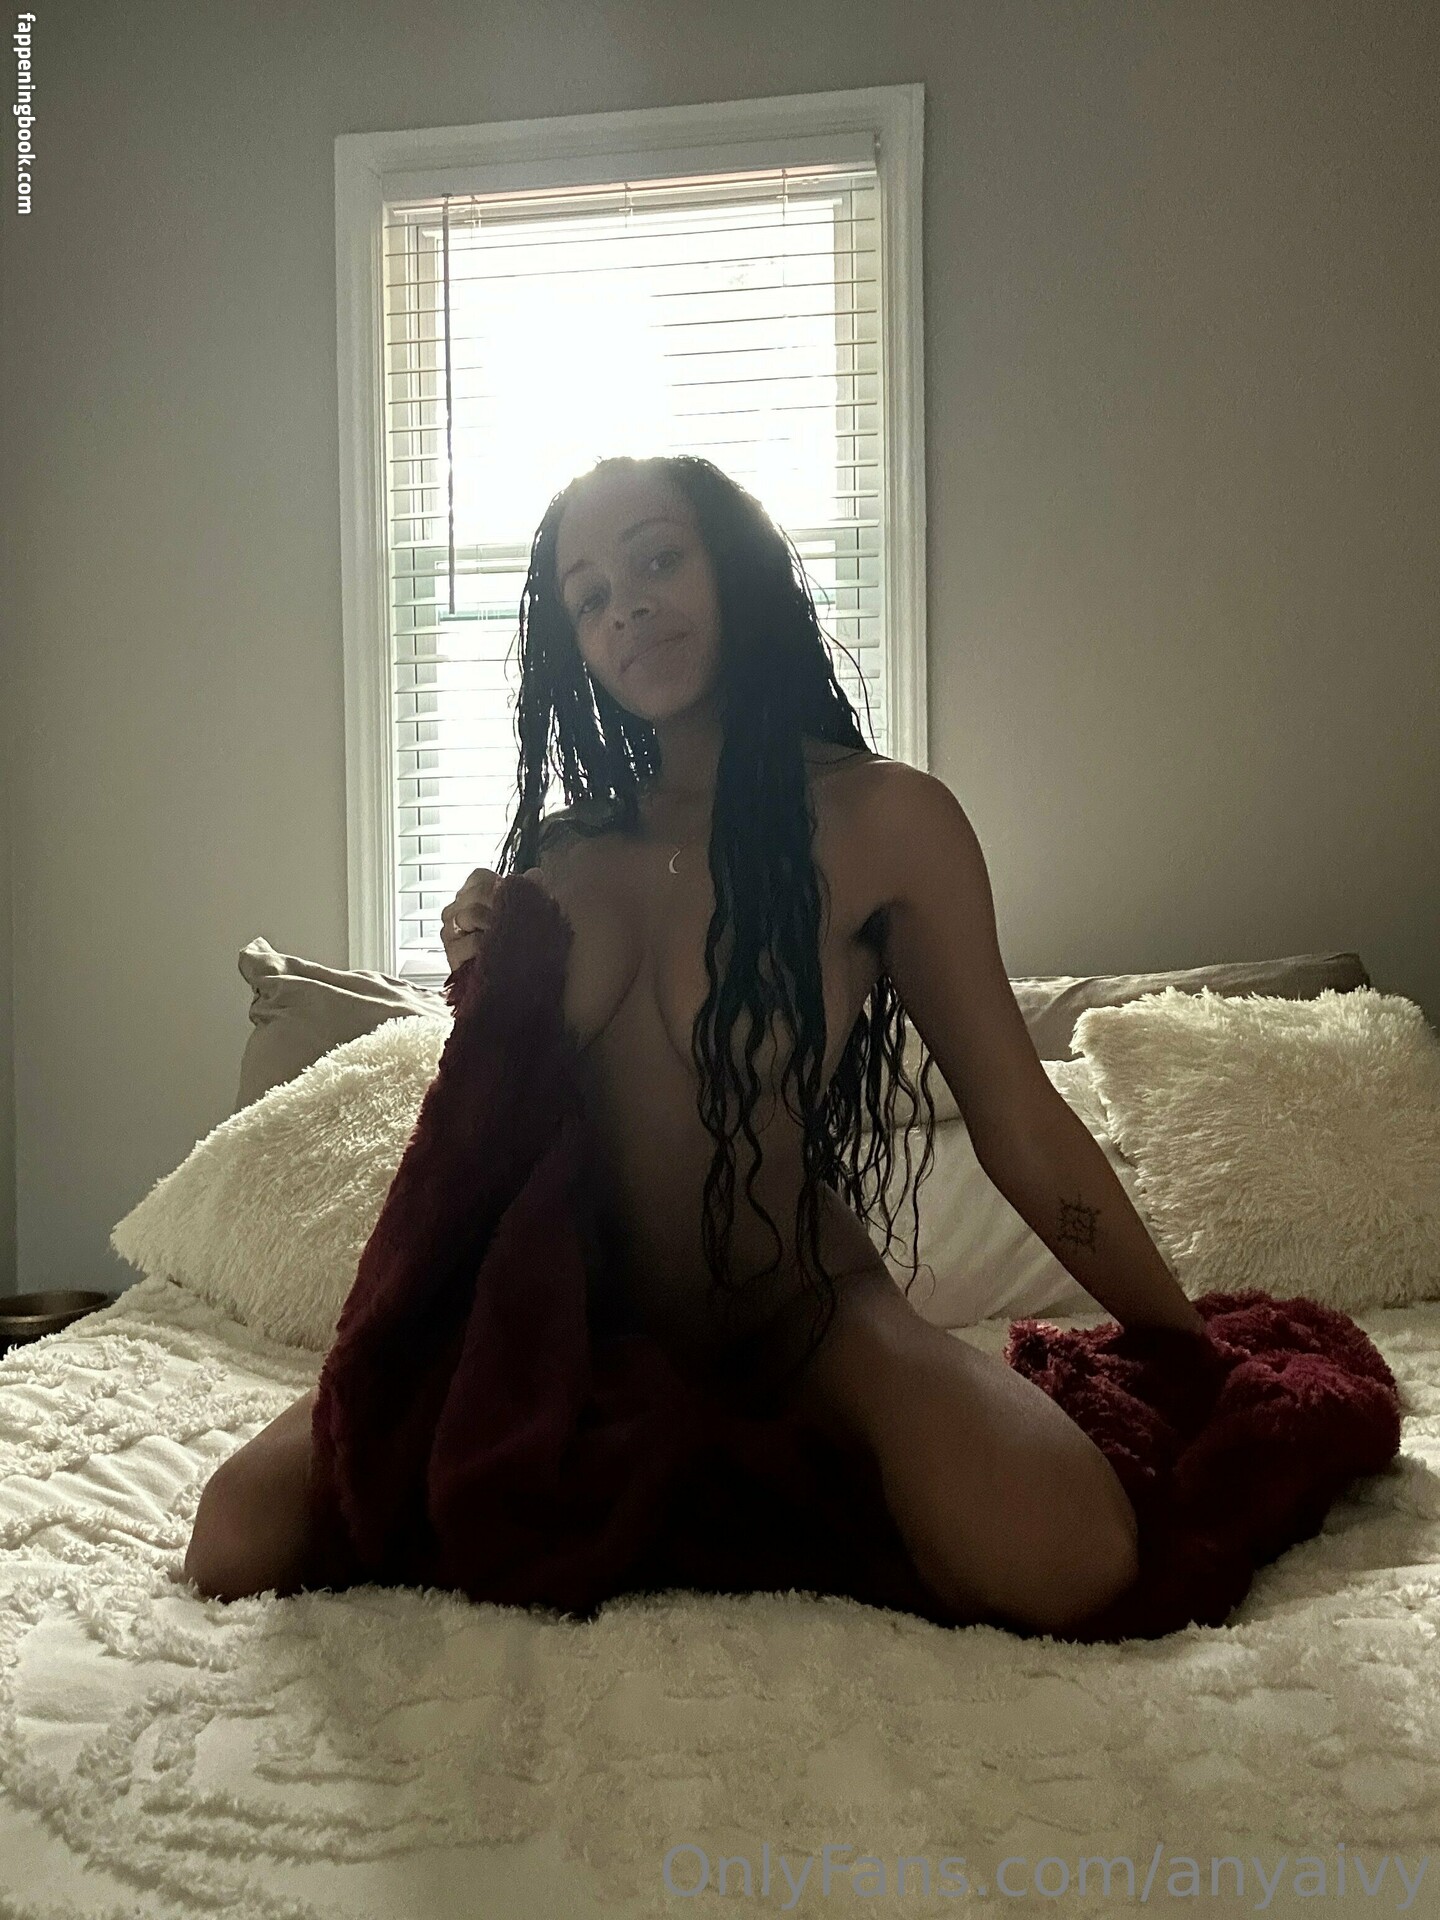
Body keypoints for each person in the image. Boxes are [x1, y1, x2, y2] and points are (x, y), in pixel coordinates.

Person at [185, 453, 1206, 1632]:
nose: (625, 608)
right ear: (573, 645)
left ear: (736, 565)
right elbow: (497, 1133)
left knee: (1070, 1556)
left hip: (802, 1316)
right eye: (589, 597)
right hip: (580, 1326)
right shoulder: (562, 856)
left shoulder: (886, 821)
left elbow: (1019, 1124)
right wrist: (486, 969)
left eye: (658, 560)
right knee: (235, 1536)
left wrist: (1186, 1347)